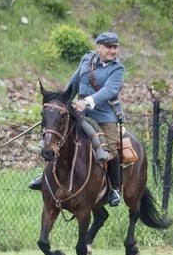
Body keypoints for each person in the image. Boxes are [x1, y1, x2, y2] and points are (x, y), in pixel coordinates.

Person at [29, 31, 125, 207]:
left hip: (105, 116)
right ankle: (45, 177)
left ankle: (115, 189)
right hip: (80, 113)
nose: (112, 51)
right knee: (56, 136)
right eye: (108, 47)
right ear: (98, 47)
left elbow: (110, 90)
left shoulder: (117, 69)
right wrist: (63, 102)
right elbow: (73, 83)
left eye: (115, 47)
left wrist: (87, 101)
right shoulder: (87, 59)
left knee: (110, 147)